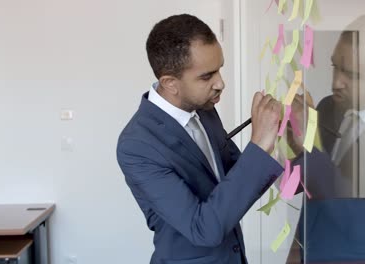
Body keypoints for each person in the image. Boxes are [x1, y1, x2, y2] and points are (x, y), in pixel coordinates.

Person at [116, 14, 283, 264]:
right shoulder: (136, 145)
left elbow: (238, 179)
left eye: (220, 69)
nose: (220, 83)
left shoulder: (203, 108)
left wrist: (284, 140)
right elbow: (203, 229)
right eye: (207, 76)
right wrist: (258, 144)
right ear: (170, 83)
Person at [285, 14, 365, 263]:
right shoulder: (328, 107)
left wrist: (305, 150)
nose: (335, 83)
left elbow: (361, 222)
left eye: (351, 74)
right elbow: (306, 187)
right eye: (335, 66)